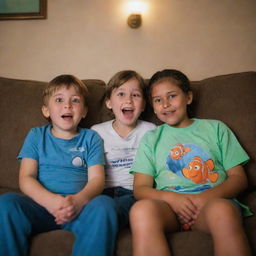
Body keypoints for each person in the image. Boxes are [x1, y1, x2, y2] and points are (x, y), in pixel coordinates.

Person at [129, 69, 252, 256]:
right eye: (158, 100)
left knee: (223, 211)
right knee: (141, 210)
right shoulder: (151, 138)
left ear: (188, 97)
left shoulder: (216, 128)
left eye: (172, 96)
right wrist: (173, 200)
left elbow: (239, 178)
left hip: (212, 202)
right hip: (168, 208)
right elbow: (140, 188)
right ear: (153, 106)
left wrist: (202, 199)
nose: (165, 104)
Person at [0, 74, 118, 256]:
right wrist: (50, 201)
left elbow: (97, 180)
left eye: (75, 100)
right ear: (46, 111)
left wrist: (77, 202)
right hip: (41, 206)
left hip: (80, 209)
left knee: (105, 205)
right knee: (7, 202)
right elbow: (26, 178)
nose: (67, 105)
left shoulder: (91, 138)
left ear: (84, 111)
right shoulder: (36, 135)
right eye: (59, 99)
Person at [91, 70, 156, 231]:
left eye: (135, 95)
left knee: (112, 210)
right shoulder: (97, 132)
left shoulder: (151, 131)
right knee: (97, 207)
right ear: (109, 103)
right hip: (103, 192)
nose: (128, 100)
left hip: (134, 193)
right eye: (121, 94)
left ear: (143, 105)